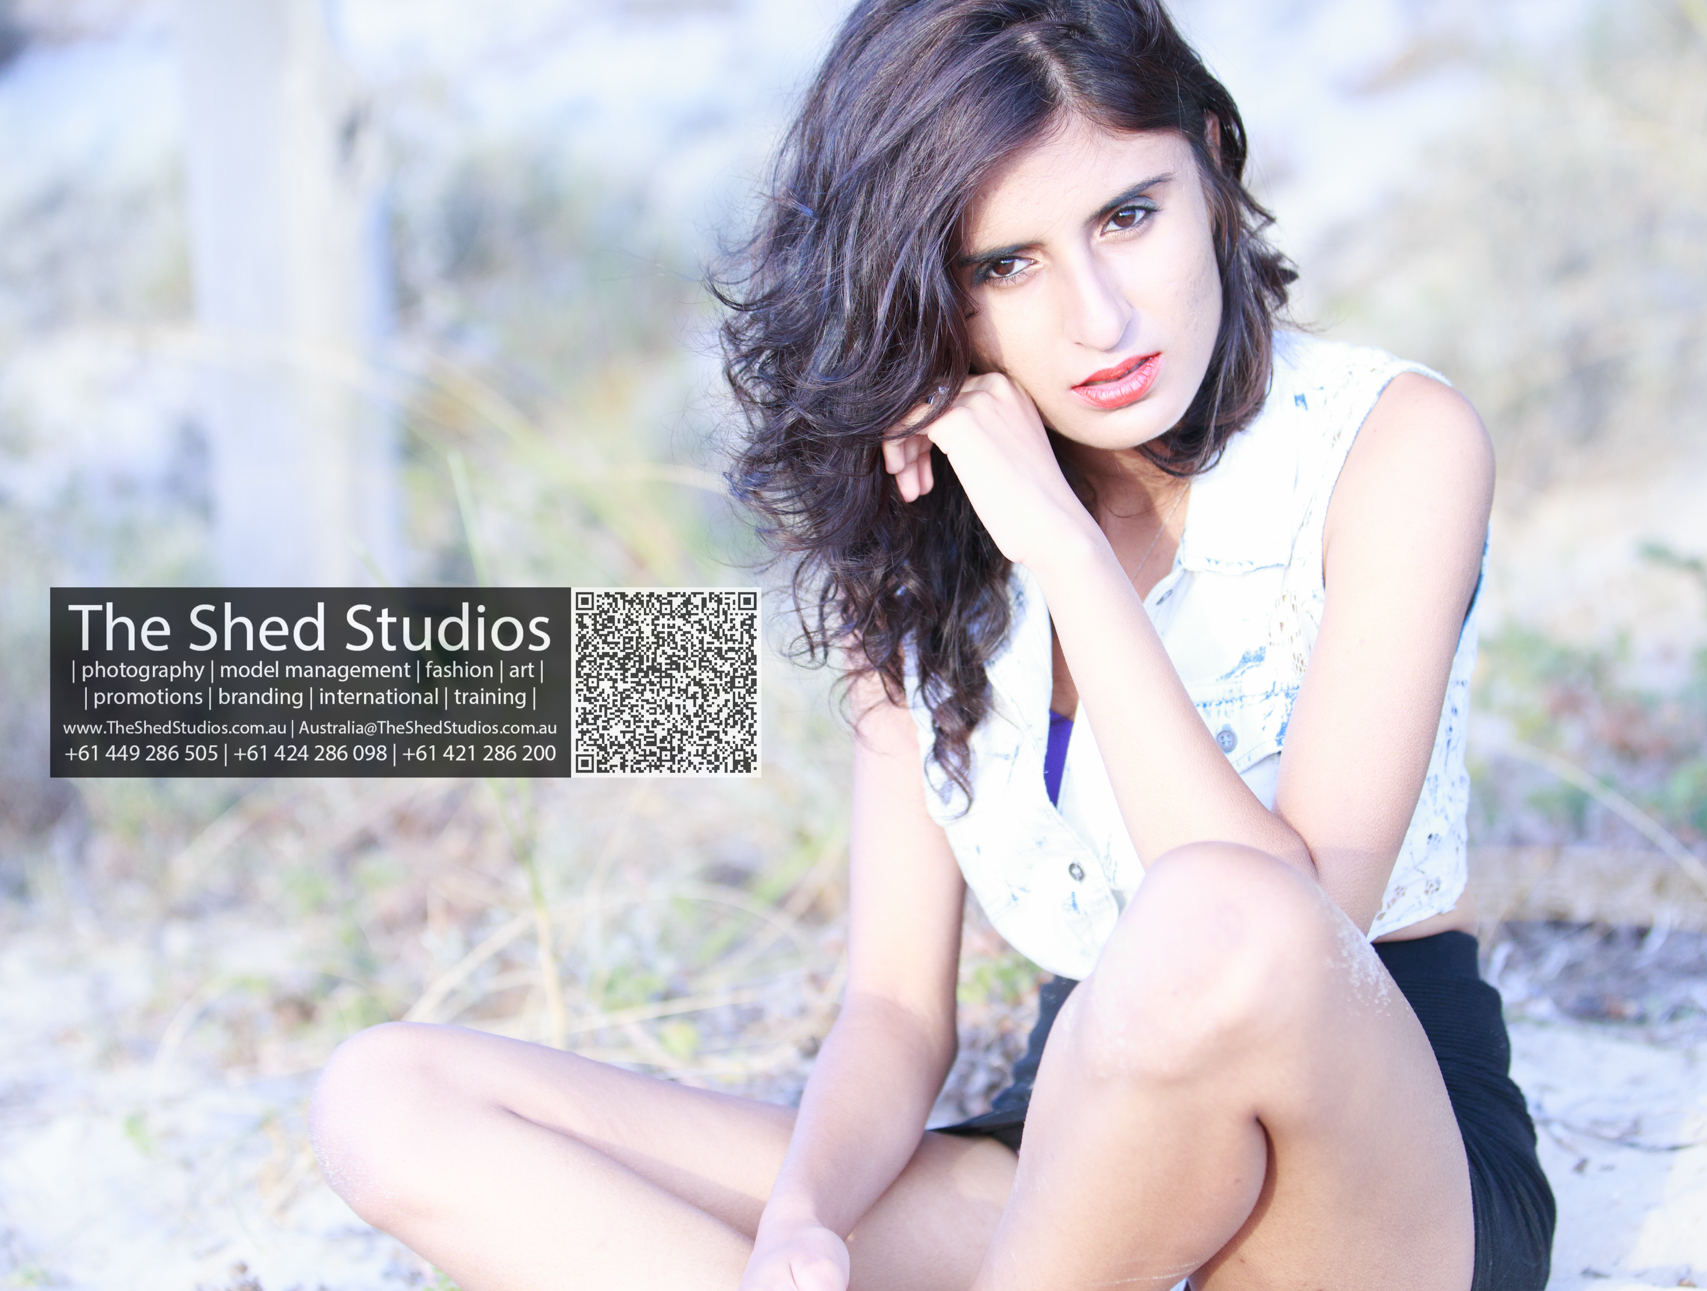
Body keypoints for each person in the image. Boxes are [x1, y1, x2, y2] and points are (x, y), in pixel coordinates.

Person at [307, 0, 1557, 1287]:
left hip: (1368, 1181)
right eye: (1003, 266)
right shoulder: (921, 549)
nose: (1098, 319)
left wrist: (1063, 551)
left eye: (1128, 216)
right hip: (1082, 1177)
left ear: (1212, 166)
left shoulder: (1389, 445)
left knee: (1217, 909)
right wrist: (802, 1218)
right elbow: (896, 1010)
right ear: (924, 296)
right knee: (392, 1096)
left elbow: (1293, 927)